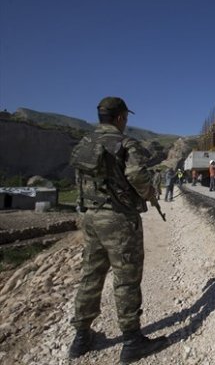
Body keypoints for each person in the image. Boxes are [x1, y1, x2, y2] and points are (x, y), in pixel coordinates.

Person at [68, 97, 167, 363]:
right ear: (120, 118)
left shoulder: (85, 143)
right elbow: (136, 175)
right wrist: (150, 194)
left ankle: (81, 337)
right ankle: (132, 341)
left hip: (90, 217)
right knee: (126, 277)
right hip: (119, 219)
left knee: (91, 273)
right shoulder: (125, 143)